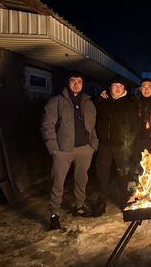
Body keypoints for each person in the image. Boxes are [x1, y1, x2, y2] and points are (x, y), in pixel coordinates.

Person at [41, 74, 98, 230]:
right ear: (67, 83)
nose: (76, 84)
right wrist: (53, 148)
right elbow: (47, 126)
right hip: (63, 150)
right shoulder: (56, 101)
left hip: (84, 149)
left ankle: (79, 206)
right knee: (57, 182)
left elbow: (93, 125)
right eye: (73, 81)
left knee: (81, 180)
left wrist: (93, 144)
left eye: (79, 82)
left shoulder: (88, 102)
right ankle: (54, 214)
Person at [94, 75, 139, 214]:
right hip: (104, 145)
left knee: (123, 174)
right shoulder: (102, 101)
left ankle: (123, 200)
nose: (118, 88)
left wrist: (128, 142)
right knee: (102, 174)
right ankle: (101, 202)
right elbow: (91, 109)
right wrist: (100, 97)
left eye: (120, 86)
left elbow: (135, 125)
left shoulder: (129, 103)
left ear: (124, 89)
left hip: (121, 146)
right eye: (115, 85)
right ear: (110, 87)